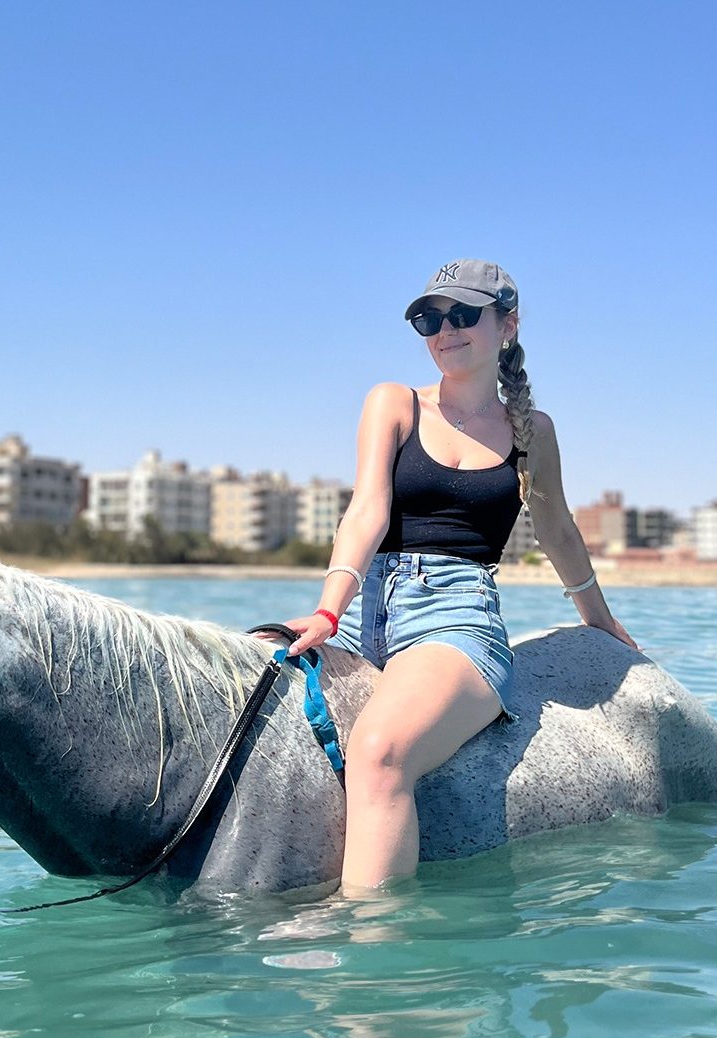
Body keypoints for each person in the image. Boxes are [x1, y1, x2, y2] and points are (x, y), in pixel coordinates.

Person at [273, 259, 638, 896]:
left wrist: (600, 623)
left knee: (380, 751)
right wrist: (329, 611)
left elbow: (557, 534)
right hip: (367, 615)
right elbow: (367, 510)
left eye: (464, 315)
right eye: (430, 318)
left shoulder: (532, 431)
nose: (445, 330)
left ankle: (371, 950)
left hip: (458, 621)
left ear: (508, 325)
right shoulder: (394, 403)